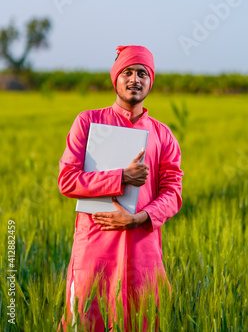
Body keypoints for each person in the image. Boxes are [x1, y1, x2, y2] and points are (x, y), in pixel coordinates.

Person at [58, 45, 183, 331]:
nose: (134, 79)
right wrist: (122, 177)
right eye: (127, 72)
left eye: (142, 73)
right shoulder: (89, 122)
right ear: (115, 77)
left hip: (143, 251)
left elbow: (173, 192)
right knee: (87, 320)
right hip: (95, 247)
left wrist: (139, 218)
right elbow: (67, 180)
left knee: (142, 321)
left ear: (151, 80)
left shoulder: (163, 135)